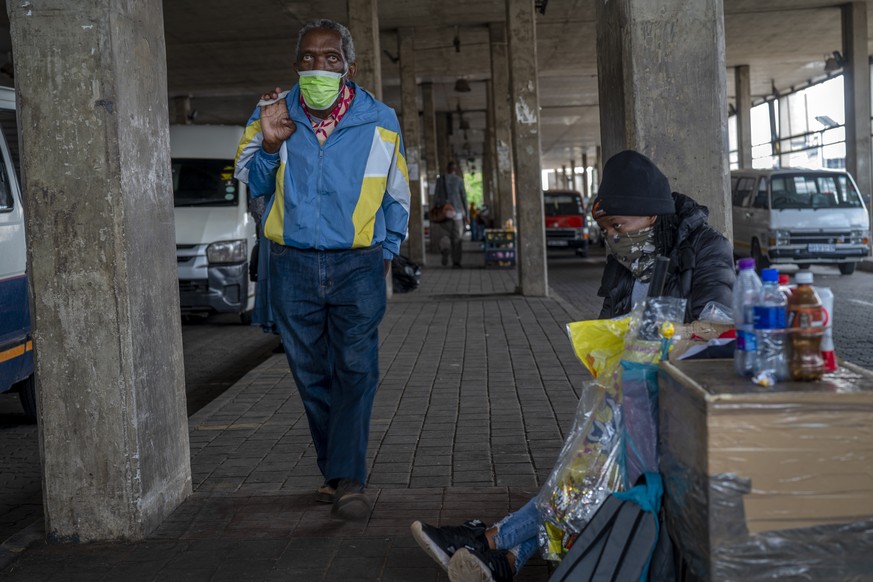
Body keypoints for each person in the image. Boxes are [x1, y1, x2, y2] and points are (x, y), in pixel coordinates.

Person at [409, 149, 735, 581]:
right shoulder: (627, 260)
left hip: (681, 395)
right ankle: (505, 559)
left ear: (651, 215)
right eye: (606, 230)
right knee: (591, 464)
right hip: (630, 396)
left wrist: (661, 347)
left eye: (619, 226)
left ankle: (491, 541)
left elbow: (717, 325)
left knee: (596, 463)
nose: (613, 237)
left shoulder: (705, 248)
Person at [234, 18, 411, 521]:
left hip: (359, 263)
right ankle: (336, 471)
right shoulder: (270, 112)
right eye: (308, 58)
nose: (318, 66)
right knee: (311, 372)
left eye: (330, 58)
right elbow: (252, 183)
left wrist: (386, 251)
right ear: (296, 66)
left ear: (348, 67)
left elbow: (397, 193)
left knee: (355, 368)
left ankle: (349, 480)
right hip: (290, 265)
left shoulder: (380, 119)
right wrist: (270, 144)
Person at [434, 161, 468, 267]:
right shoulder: (459, 180)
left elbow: (436, 197)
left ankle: (445, 249)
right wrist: (467, 214)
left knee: (445, 235)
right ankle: (456, 261)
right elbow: (464, 198)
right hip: (457, 212)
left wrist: (436, 210)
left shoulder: (440, 180)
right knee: (457, 237)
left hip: (443, 213)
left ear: (447, 169)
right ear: (456, 170)